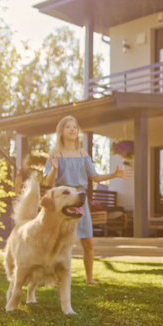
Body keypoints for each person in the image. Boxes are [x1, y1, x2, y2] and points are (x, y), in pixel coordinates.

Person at [44, 115, 131, 284]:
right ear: (61, 131)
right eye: (68, 127)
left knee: (88, 244)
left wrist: (114, 174)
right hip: (63, 200)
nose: (72, 130)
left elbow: (96, 177)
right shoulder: (55, 154)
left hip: (80, 199)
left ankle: (89, 278)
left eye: (75, 127)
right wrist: (54, 169)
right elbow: (49, 182)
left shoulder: (83, 154)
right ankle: (49, 278)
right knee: (56, 243)